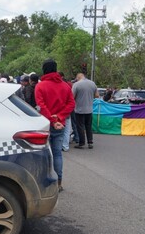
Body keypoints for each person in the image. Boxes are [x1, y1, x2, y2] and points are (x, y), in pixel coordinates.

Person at [35, 59, 75, 192]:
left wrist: (52, 119)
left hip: (45, 124)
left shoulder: (40, 86)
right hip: (60, 125)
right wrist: (59, 117)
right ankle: (58, 183)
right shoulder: (65, 86)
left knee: (44, 154)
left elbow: (41, 106)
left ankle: (44, 183)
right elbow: (71, 104)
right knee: (57, 153)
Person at [72, 72, 99, 149]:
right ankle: (90, 142)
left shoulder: (76, 85)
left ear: (78, 77)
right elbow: (97, 95)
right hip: (89, 109)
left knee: (80, 126)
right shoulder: (92, 83)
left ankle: (81, 143)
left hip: (79, 109)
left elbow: (72, 97)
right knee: (88, 126)